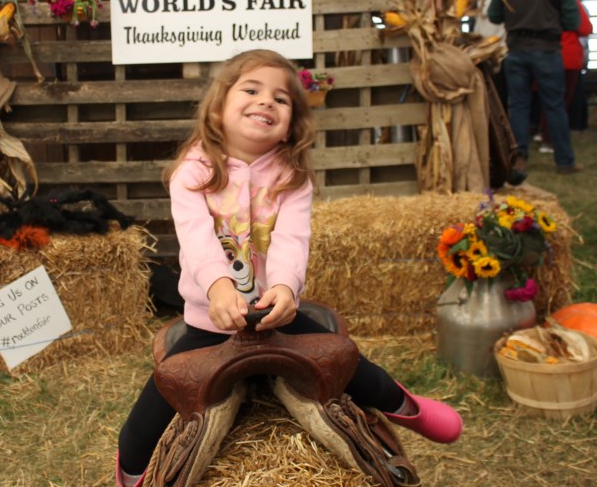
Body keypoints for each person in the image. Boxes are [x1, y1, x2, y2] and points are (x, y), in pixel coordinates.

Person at [114, 50, 462, 487]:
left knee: (350, 366)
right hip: (210, 321)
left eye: (281, 100)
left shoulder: (292, 178)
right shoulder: (192, 172)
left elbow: (291, 242)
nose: (267, 102)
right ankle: (131, 472)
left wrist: (283, 288)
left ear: (291, 124)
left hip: (278, 315)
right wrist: (220, 287)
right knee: (156, 401)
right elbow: (196, 239)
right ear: (219, 105)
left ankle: (407, 407)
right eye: (252, 90)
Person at [488, 0, 583, 174]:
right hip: (548, 51)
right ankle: (564, 161)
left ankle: (519, 157)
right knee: (554, 106)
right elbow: (573, 22)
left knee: (518, 106)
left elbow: (494, 15)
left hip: (517, 49)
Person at [537, 0, 593, 153]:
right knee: (562, 102)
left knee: (548, 99)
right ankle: (554, 140)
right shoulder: (572, 3)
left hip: (545, 56)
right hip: (568, 58)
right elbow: (585, 28)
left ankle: (545, 136)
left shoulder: (541, 2)